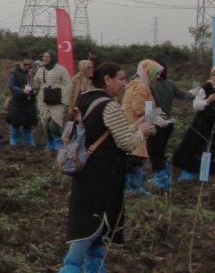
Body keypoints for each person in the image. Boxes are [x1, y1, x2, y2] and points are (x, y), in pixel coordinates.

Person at [60, 62, 154, 273]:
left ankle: (88, 266)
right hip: (103, 175)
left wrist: (134, 126)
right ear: (107, 79)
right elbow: (126, 143)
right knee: (93, 223)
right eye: (120, 79)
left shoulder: (85, 99)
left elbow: (106, 133)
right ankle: (72, 266)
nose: (124, 84)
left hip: (85, 171)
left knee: (91, 220)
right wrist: (143, 133)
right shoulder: (109, 105)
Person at [145, 60, 197, 190]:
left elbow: (148, 107)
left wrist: (148, 123)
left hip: (155, 120)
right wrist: (196, 91)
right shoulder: (170, 84)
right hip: (168, 123)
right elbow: (184, 95)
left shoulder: (148, 86)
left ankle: (160, 178)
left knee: (153, 152)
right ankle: (164, 173)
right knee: (160, 150)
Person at [121, 59, 161, 195]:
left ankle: (133, 187)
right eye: (156, 73)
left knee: (132, 158)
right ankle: (132, 188)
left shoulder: (135, 84)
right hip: (136, 125)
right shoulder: (142, 86)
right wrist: (153, 114)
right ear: (149, 72)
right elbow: (138, 108)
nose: (158, 77)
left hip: (130, 124)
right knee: (135, 157)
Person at [33, 51, 72, 151]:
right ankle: (50, 142)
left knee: (54, 124)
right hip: (43, 100)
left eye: (48, 57)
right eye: (44, 56)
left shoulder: (61, 69)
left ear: (53, 58)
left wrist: (62, 96)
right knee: (46, 123)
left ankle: (59, 141)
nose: (45, 58)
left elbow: (68, 83)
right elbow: (36, 84)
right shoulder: (40, 70)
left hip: (57, 100)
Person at [6, 55, 38, 146]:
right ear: (20, 63)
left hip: (29, 103)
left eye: (29, 65)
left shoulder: (31, 74)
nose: (27, 66)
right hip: (17, 102)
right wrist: (22, 91)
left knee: (28, 125)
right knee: (15, 125)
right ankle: (13, 144)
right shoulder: (14, 73)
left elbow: (36, 86)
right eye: (25, 64)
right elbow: (11, 86)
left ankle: (29, 144)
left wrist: (33, 89)